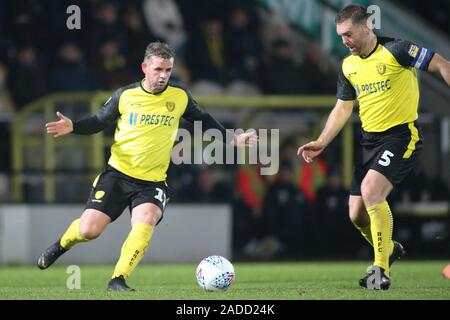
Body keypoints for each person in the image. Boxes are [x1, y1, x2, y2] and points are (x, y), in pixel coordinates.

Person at [37, 41, 257, 291]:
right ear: (145, 67)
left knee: (146, 220)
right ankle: (61, 244)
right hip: (117, 175)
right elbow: (99, 121)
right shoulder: (125, 95)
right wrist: (74, 126)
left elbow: (203, 119)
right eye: (158, 69)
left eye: (168, 70)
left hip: (152, 183)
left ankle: (118, 279)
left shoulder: (180, 96)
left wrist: (234, 138)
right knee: (89, 230)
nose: (163, 75)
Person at [297, 5, 450, 290]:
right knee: (356, 213)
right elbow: (343, 108)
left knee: (371, 191)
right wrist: (322, 141)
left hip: (401, 136)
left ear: (366, 27)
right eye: (341, 36)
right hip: (370, 142)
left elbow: (441, 63)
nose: (345, 41)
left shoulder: (397, 50)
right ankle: (389, 248)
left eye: (348, 34)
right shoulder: (348, 65)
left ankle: (380, 270)